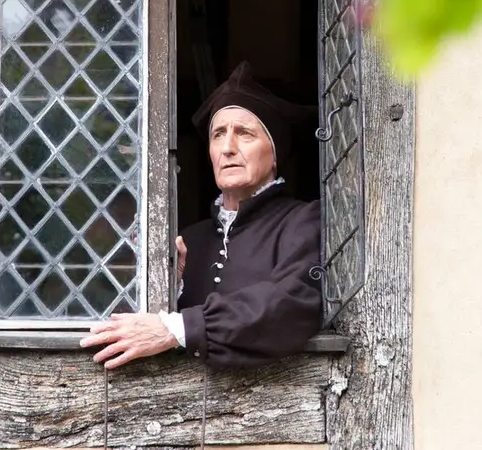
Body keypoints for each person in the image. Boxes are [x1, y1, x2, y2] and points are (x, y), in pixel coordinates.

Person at [81, 61, 323, 369]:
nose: (227, 148)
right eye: (218, 134)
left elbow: (292, 304)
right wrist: (170, 287)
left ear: (275, 154)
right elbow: (137, 329)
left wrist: (179, 328)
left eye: (245, 134)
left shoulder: (303, 223)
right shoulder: (190, 238)